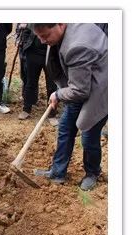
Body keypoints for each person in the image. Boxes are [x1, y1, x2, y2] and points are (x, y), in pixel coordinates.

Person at [32, 24, 108, 191]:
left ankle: (93, 172)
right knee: (66, 127)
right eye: (39, 37)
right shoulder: (58, 34)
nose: (43, 41)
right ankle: (57, 172)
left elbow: (81, 90)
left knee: (88, 136)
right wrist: (64, 91)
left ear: (60, 24)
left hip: (101, 90)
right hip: (80, 83)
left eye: (45, 36)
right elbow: (78, 85)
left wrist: (58, 94)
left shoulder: (77, 46)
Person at [16, 24, 58, 122]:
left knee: (51, 84)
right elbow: (25, 30)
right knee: (30, 82)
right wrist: (24, 43)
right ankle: (26, 109)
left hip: (50, 54)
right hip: (33, 53)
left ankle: (52, 114)